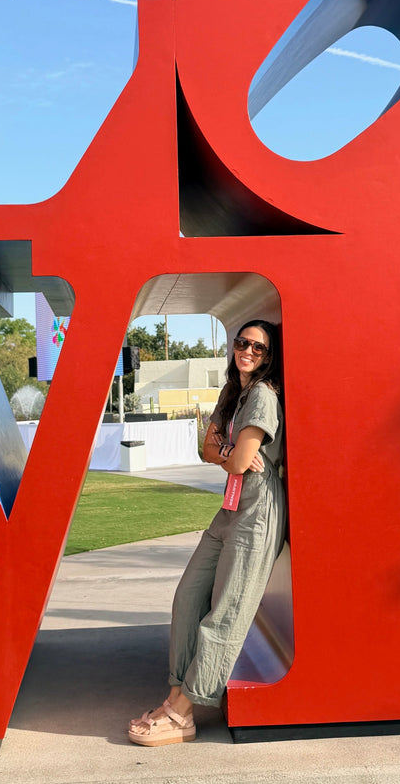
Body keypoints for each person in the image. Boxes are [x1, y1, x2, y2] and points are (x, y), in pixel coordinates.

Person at [128, 318, 285, 746]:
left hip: (258, 511)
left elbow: (230, 459)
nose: (247, 351)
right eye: (242, 342)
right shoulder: (233, 393)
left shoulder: (264, 398)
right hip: (230, 506)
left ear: (270, 358)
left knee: (226, 612)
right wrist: (229, 452)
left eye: (258, 347)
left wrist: (227, 452)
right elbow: (208, 448)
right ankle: (175, 691)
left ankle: (184, 713)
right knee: (188, 597)